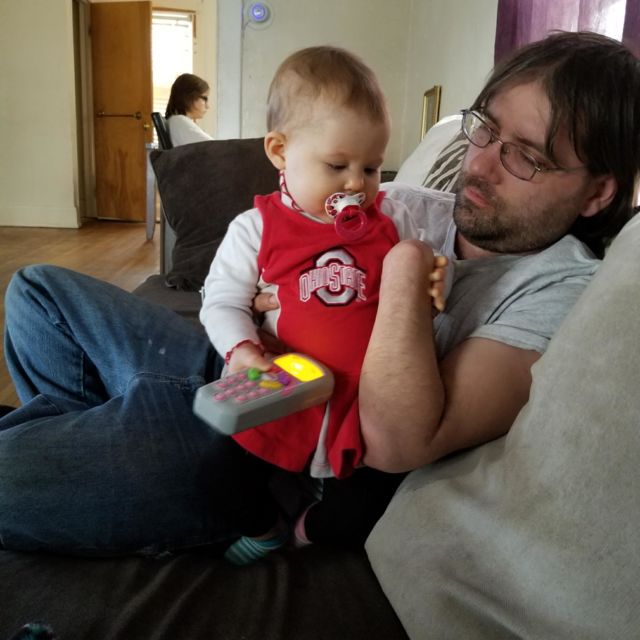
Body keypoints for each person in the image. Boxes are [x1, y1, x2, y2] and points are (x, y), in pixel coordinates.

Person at [0, 31, 638, 559]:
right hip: (242, 368)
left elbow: (399, 442)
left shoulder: (558, 290)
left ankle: (143, 472)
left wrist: (404, 272)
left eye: (525, 156)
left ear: (597, 192)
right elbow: (285, 246)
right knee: (37, 293)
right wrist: (260, 313)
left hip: (273, 442)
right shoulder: (409, 205)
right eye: (485, 130)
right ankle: (95, 440)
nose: (481, 164)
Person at [198, 46, 450, 564]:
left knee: (365, 512)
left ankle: (307, 527)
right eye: (337, 166)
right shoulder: (256, 227)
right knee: (215, 475)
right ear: (279, 151)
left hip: (362, 400)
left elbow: (420, 277)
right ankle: (266, 527)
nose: (356, 184)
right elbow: (221, 301)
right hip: (282, 384)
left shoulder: (394, 219)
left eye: (372, 168)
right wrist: (242, 351)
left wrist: (436, 277)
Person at [165, 72, 213, 146]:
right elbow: (215, 147)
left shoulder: (176, 121)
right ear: (189, 97)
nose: (208, 106)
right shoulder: (179, 121)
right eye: (204, 98)